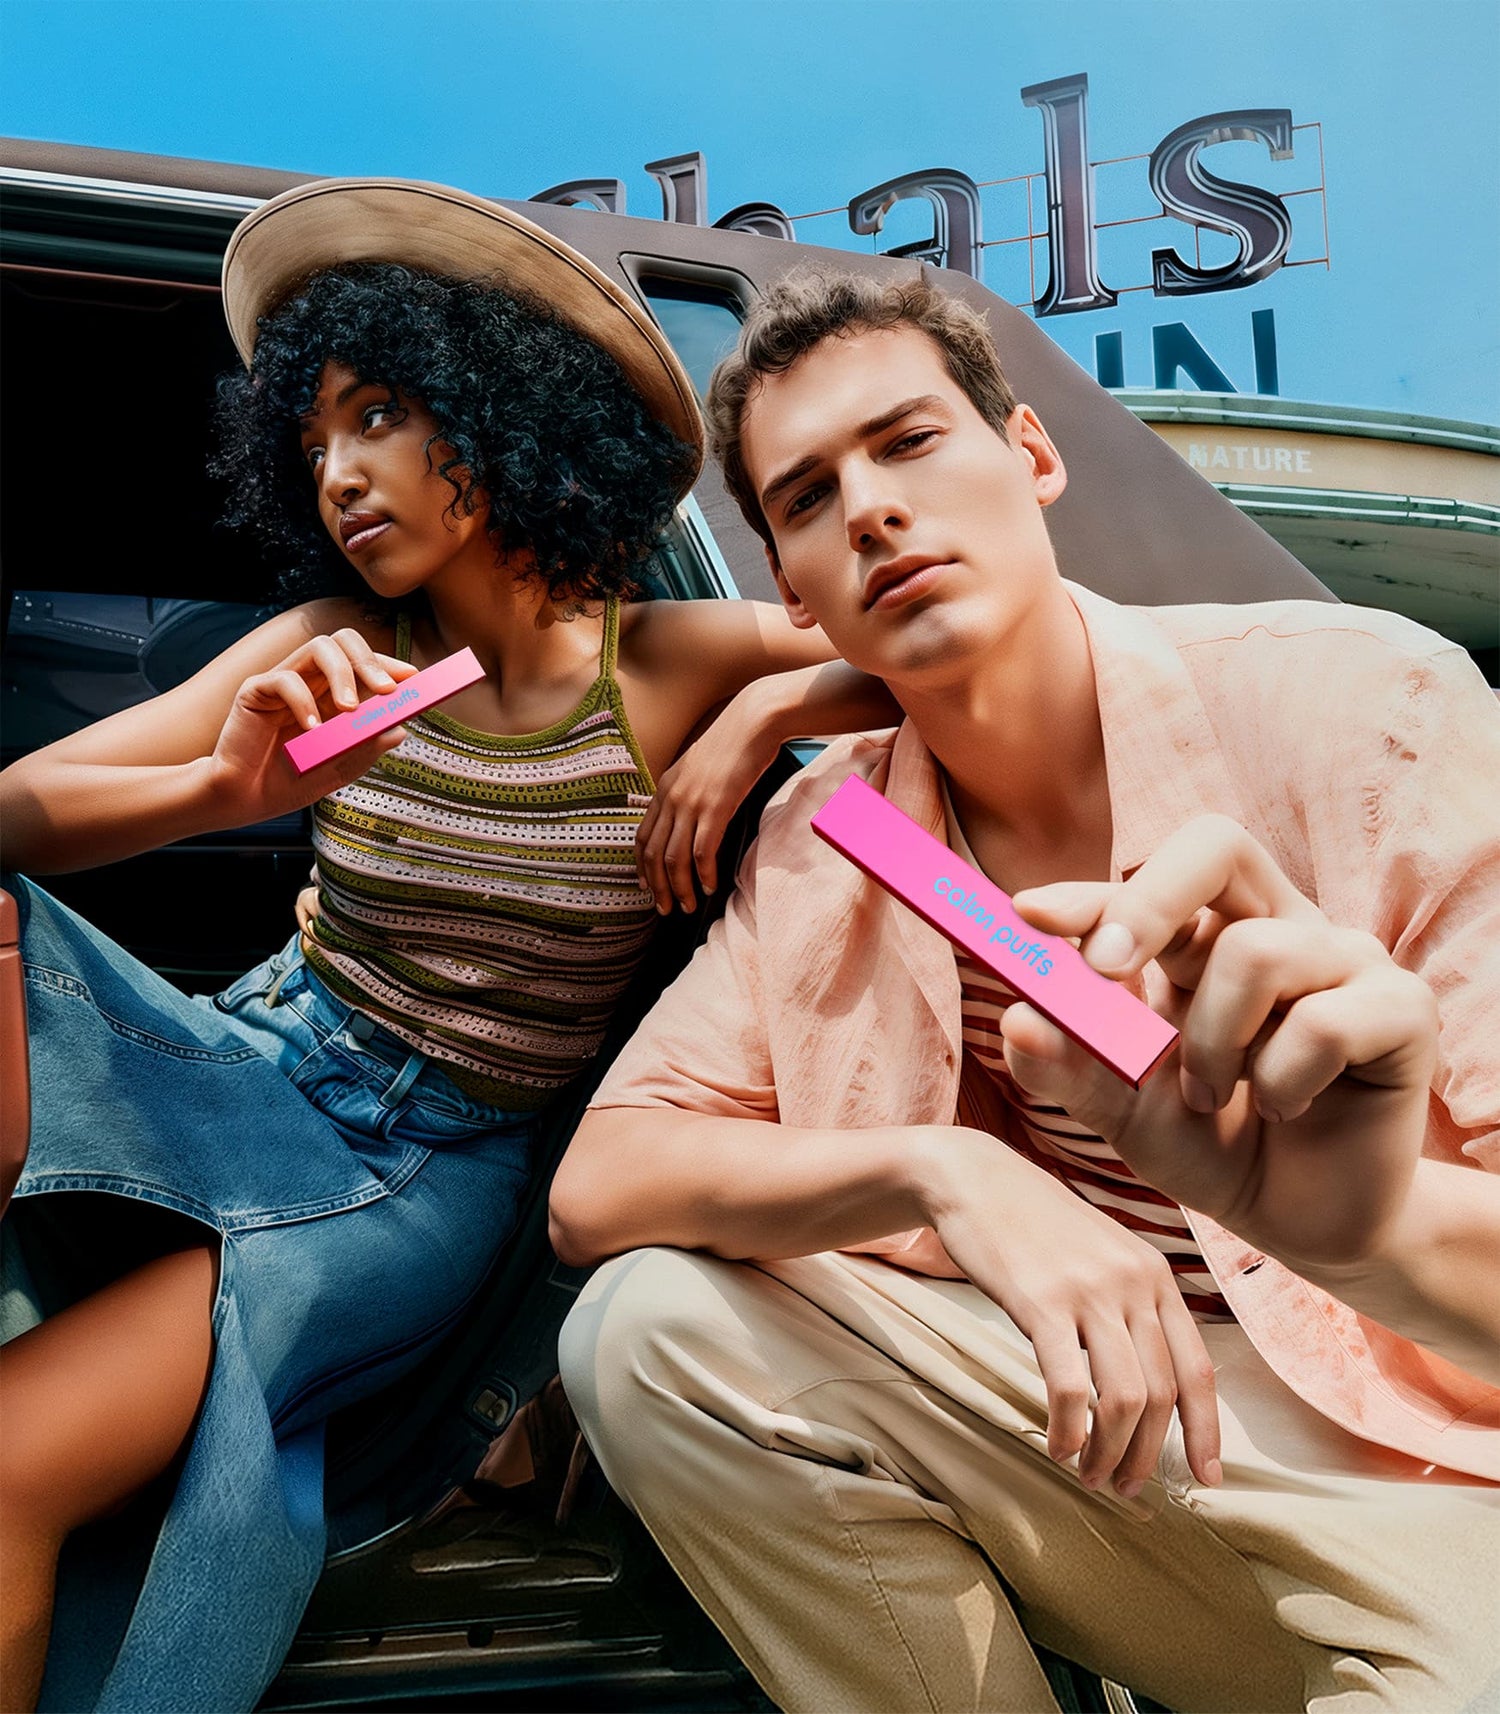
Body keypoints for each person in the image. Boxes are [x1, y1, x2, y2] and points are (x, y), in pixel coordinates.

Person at [0, 183, 898, 1714]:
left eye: (382, 416)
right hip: (248, 1062)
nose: (342, 474)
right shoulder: (328, 645)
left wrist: (764, 709)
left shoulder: (667, 663)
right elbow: (20, 810)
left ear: (498, 411)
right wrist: (226, 789)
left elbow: (933, 636)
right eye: (318, 442)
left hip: (414, 1172)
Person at [551, 271, 1500, 1713]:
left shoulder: (1375, 707)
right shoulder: (835, 837)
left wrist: (1361, 1232)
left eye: (909, 442)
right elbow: (598, 1181)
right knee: (649, 1329)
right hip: (1096, 1454)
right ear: (795, 594)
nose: (867, 507)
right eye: (807, 500)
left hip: (1426, 1465)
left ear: (1034, 457)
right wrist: (948, 1178)